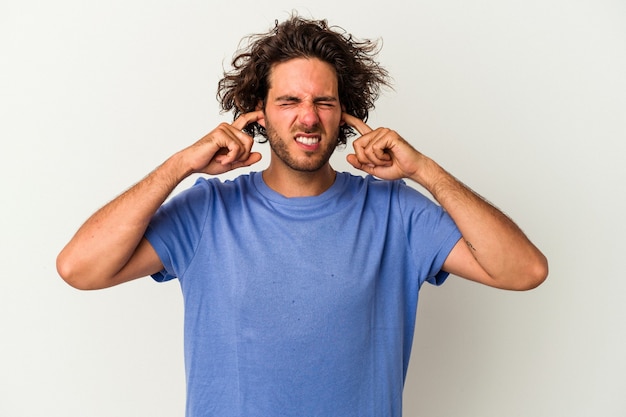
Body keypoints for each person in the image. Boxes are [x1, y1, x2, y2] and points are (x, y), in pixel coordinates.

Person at [56, 14, 548, 417]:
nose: (308, 118)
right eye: (289, 101)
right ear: (259, 115)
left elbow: (525, 271)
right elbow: (80, 268)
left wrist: (425, 171)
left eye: (324, 102)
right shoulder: (208, 210)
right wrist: (180, 165)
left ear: (346, 116)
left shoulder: (396, 212)